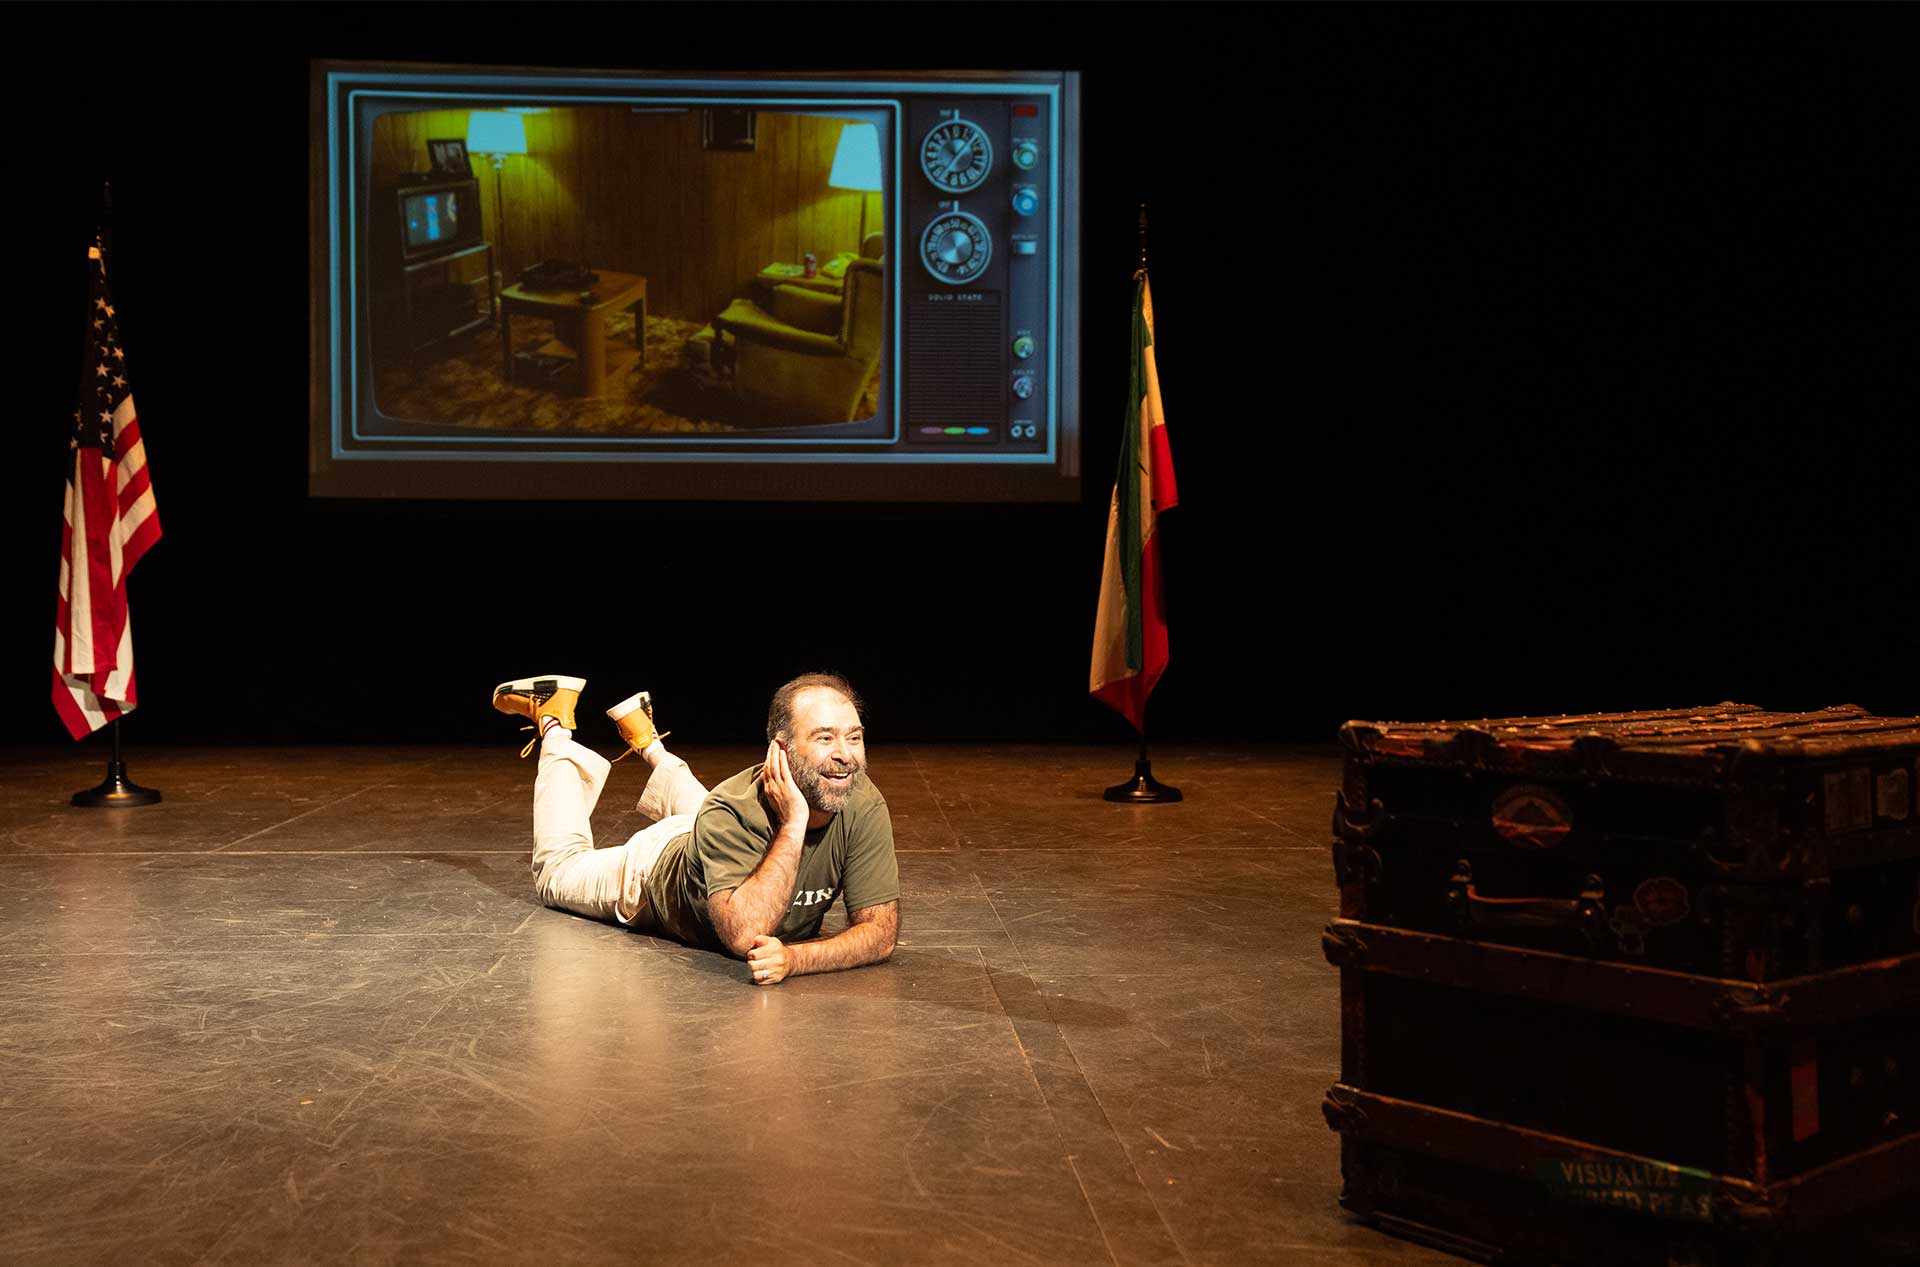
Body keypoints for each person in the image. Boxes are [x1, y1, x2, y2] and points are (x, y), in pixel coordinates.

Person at [492, 671, 899, 986]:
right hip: (649, 874)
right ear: (782, 750)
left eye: (854, 737)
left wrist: (796, 959)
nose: (845, 756)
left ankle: (645, 738)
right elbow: (745, 937)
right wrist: (793, 822)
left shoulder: (858, 797)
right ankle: (554, 721)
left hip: (716, 845)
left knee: (710, 816)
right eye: (825, 738)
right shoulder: (730, 810)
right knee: (556, 873)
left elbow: (879, 934)